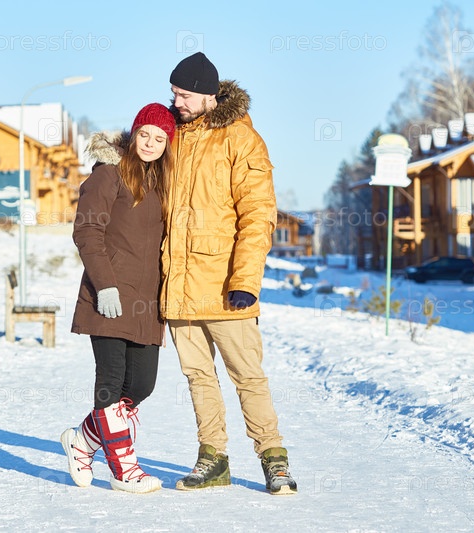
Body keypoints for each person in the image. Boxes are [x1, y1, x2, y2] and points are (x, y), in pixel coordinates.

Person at [162, 52, 298, 495]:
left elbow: (257, 215)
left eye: (184, 95)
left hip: (225, 286)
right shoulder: (172, 138)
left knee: (248, 377)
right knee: (198, 377)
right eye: (174, 93)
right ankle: (213, 458)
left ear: (208, 95)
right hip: (179, 285)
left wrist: (245, 280)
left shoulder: (241, 139)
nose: (177, 102)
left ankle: (274, 459)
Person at [61, 103, 176, 494]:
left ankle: (83, 441)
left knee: (140, 385)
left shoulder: (163, 181)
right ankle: (124, 470)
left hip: (147, 302)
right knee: (109, 384)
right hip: (108, 294)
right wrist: (105, 284)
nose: (150, 143)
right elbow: (87, 232)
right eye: (144, 134)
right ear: (134, 133)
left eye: (159, 138)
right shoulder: (108, 174)